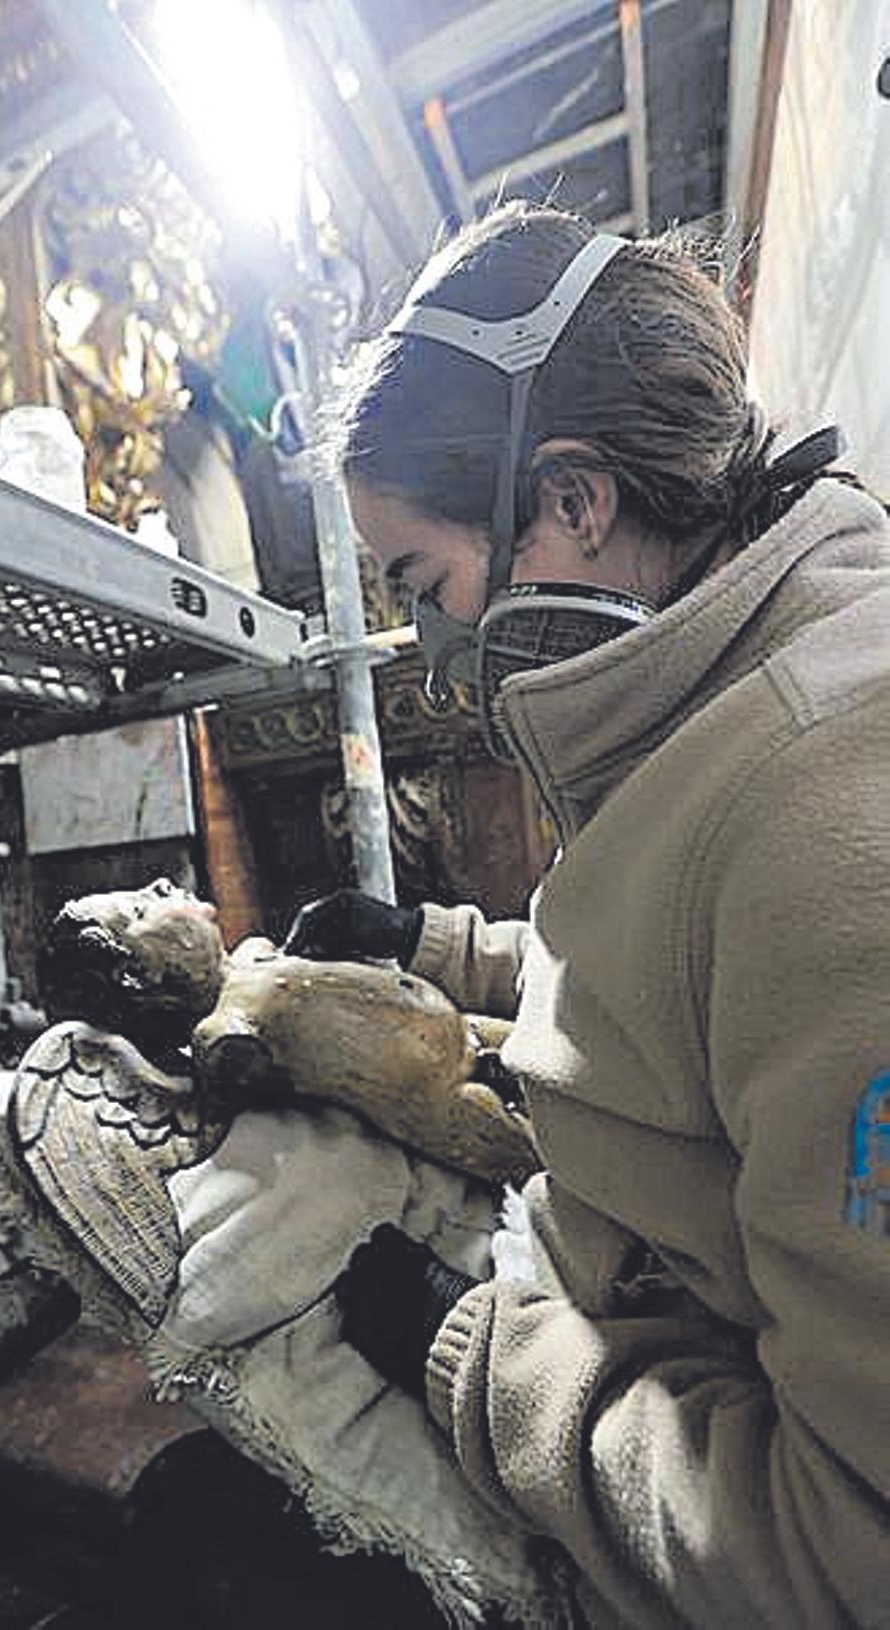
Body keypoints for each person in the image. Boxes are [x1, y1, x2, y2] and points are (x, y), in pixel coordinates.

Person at [282, 201, 890, 1628]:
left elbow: (849, 1553)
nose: (438, 668)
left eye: (426, 587)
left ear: (570, 500)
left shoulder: (834, 818)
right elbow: (680, 975)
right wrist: (439, 949)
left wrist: (478, 1359)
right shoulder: (747, 655)